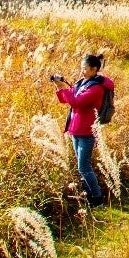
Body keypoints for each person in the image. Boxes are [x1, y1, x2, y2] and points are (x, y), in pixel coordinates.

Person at [52, 53, 113, 206]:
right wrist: (60, 87)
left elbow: (76, 102)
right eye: (81, 68)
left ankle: (97, 198)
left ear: (94, 69)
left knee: (83, 166)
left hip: (87, 130)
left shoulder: (97, 88)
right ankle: (89, 194)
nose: (82, 71)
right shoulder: (83, 83)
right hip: (76, 129)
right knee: (83, 167)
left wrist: (63, 89)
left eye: (85, 69)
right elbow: (66, 99)